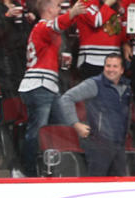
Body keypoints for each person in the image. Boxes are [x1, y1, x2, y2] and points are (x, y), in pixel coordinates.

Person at [18, 0, 85, 177]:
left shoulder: (44, 29)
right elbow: (58, 24)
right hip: (39, 85)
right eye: (56, 5)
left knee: (63, 126)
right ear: (48, 9)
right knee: (37, 130)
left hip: (48, 85)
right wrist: (72, 13)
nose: (59, 8)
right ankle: (28, 171)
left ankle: (58, 168)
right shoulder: (42, 27)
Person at [59, 53, 132, 177]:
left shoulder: (127, 86)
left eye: (115, 66)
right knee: (96, 185)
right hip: (99, 145)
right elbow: (66, 98)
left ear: (121, 70)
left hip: (120, 144)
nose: (111, 69)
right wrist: (75, 124)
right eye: (108, 66)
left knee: (120, 186)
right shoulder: (94, 84)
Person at [0, 0, 33, 98]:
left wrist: (29, 21)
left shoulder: (19, 6)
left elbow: (25, 34)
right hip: (5, 58)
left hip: (21, 58)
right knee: (10, 92)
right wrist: (7, 16)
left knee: (22, 91)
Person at [73, 0, 126, 80]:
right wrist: (107, 4)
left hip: (114, 61)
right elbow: (96, 21)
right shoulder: (84, 3)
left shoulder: (118, 5)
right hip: (91, 60)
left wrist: (126, 43)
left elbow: (121, 31)